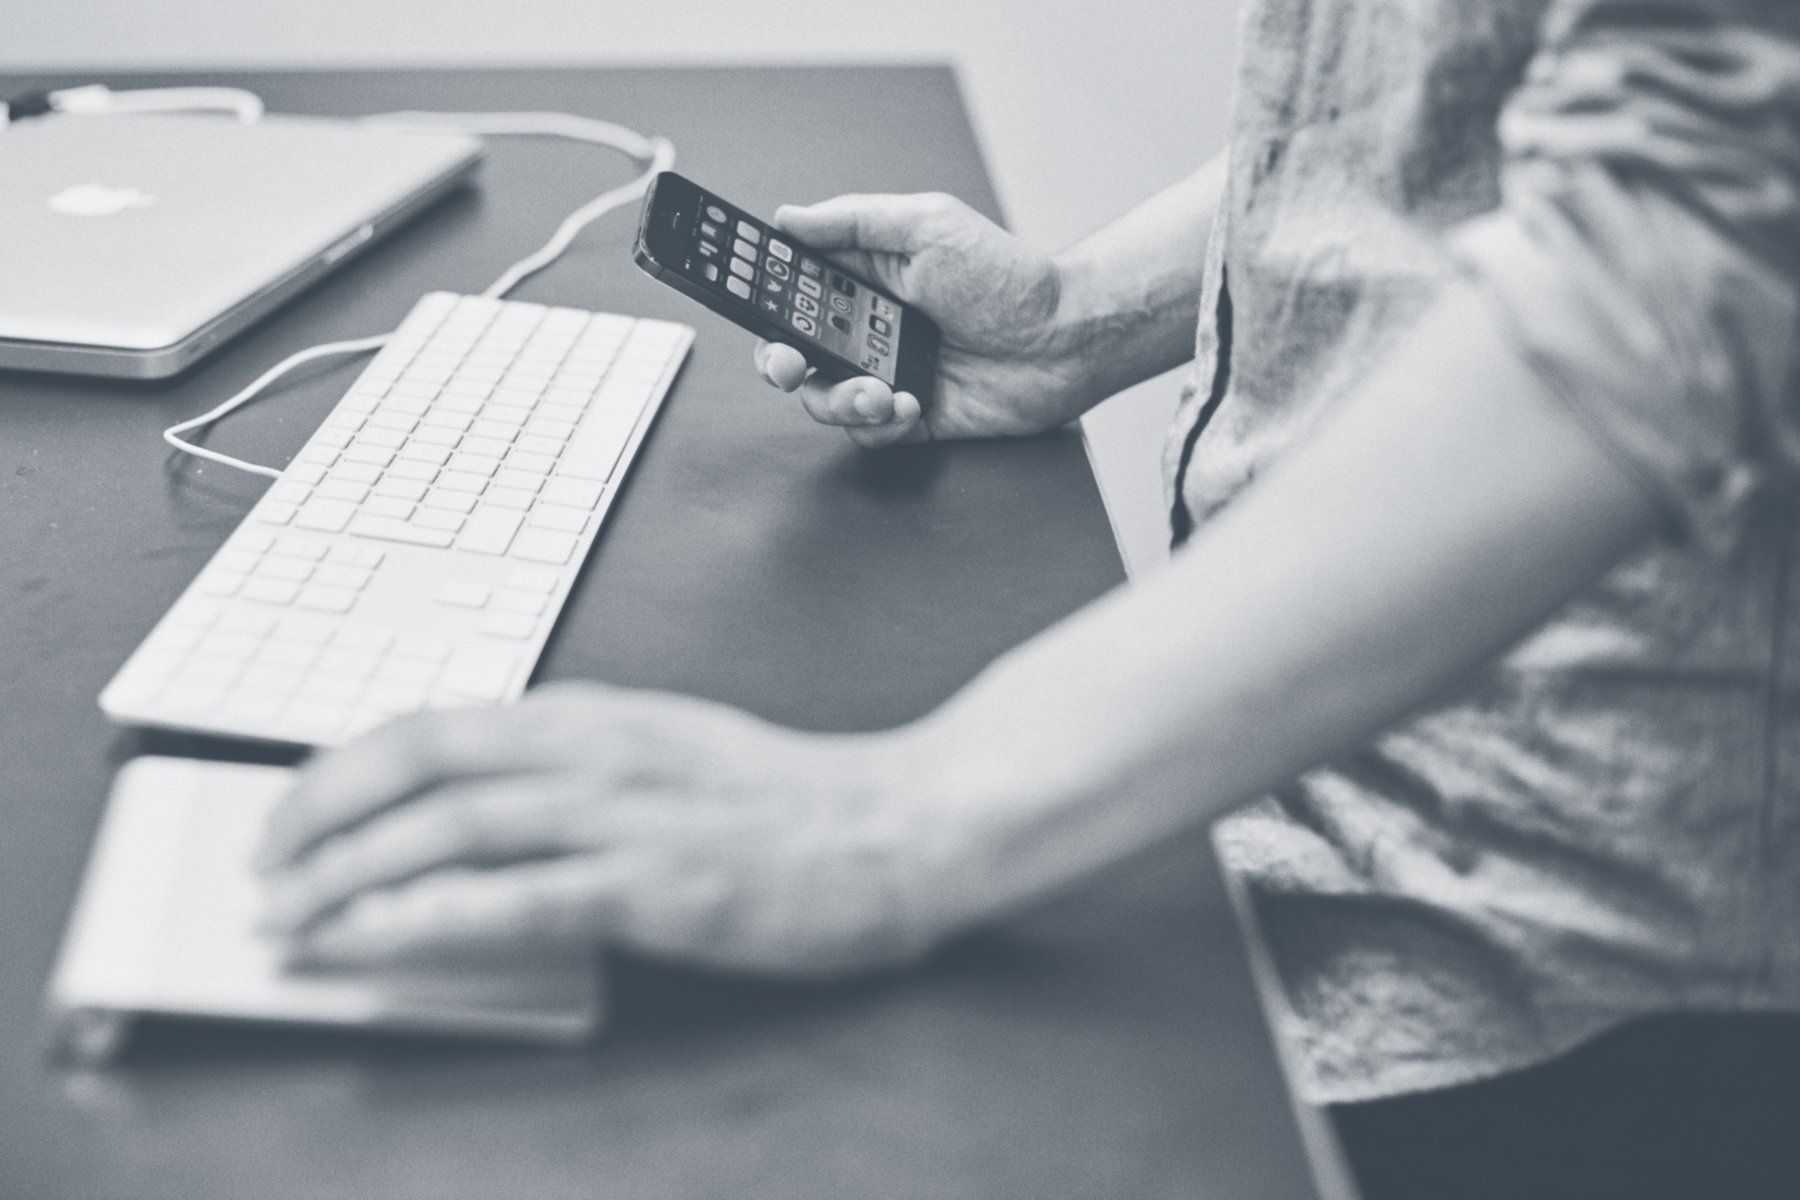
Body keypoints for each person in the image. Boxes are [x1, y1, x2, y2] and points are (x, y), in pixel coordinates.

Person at [256, 0, 1800, 1193]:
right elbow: (1451, 91)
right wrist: (1084, 320)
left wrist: (899, 814)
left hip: (1557, 950)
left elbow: (1704, 236)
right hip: (1310, 788)